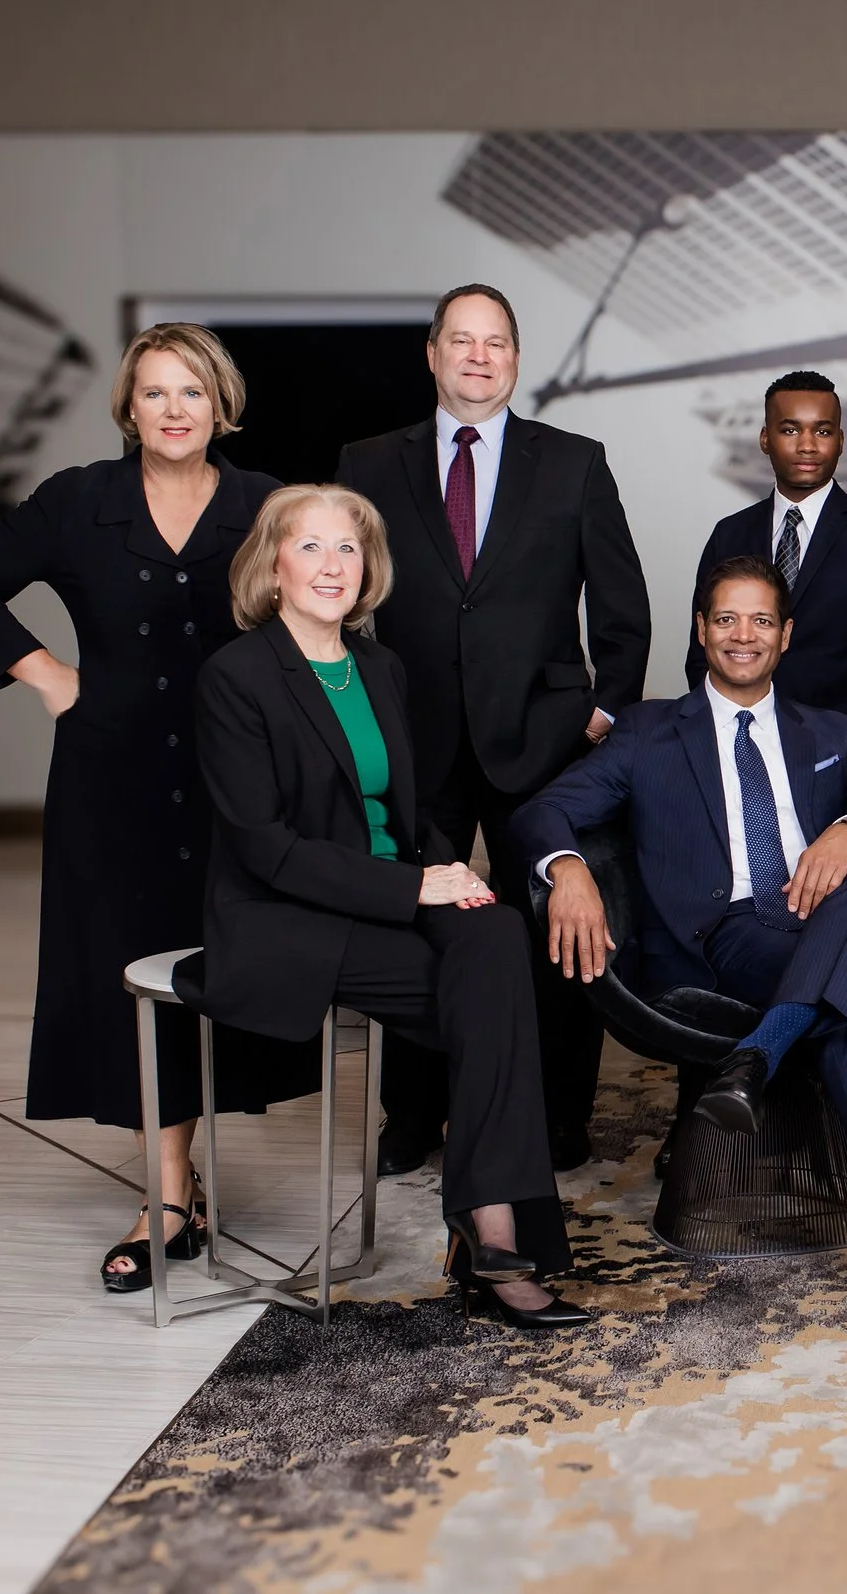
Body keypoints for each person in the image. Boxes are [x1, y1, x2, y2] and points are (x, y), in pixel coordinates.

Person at [516, 557, 847, 1345]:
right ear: (702, 631)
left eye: (759, 620)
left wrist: (845, 830)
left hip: (819, 920)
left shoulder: (833, 731)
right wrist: (569, 868)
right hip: (724, 937)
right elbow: (544, 810)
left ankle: (759, 1054)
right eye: (726, 618)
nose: (742, 635)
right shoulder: (648, 730)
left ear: (785, 635)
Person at [0, 323, 314, 1295]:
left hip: (238, 782)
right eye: (155, 392)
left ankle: (181, 1185)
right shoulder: (78, 500)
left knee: (214, 966)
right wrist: (46, 674)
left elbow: (327, 610)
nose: (174, 409)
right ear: (129, 407)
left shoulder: (266, 503)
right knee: (133, 976)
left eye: (192, 391)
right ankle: (168, 1195)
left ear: (220, 404)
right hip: (112, 782)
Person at [179, 484, 589, 1330]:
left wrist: (449, 867)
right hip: (286, 914)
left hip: (389, 889)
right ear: (273, 566)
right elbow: (265, 846)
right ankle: (496, 1236)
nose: (333, 565)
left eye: (349, 548)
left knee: (498, 933)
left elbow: (402, 815)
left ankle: (489, 1232)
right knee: (494, 994)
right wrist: (415, 886)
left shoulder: (378, 667)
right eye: (311, 546)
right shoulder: (236, 676)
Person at [336, 284, 650, 1177]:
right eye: (462, 340)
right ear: (432, 354)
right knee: (414, 922)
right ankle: (412, 1114)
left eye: (497, 342)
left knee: (558, 927)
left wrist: (603, 711)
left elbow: (622, 608)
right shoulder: (368, 463)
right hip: (412, 739)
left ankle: (556, 1113)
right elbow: (342, 600)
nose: (479, 356)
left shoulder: (575, 462)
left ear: (516, 358)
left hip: (545, 740)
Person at [685, 370, 847, 793]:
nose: (808, 445)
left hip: (841, 764)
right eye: (790, 429)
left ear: (841, 441)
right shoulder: (729, 534)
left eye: (823, 431)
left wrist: (812, 733)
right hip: (735, 758)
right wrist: (748, 727)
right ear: (765, 438)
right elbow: (700, 658)